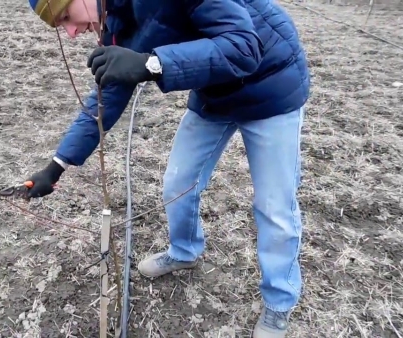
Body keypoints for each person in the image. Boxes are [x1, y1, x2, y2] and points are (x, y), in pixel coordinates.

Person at [26, 0, 310, 337]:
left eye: (66, 19)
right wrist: (57, 165)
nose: (71, 33)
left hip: (271, 85)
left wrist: (152, 63)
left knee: (274, 205)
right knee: (178, 183)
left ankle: (279, 303)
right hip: (215, 94)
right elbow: (109, 95)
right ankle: (184, 251)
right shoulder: (115, 20)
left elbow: (243, 48)